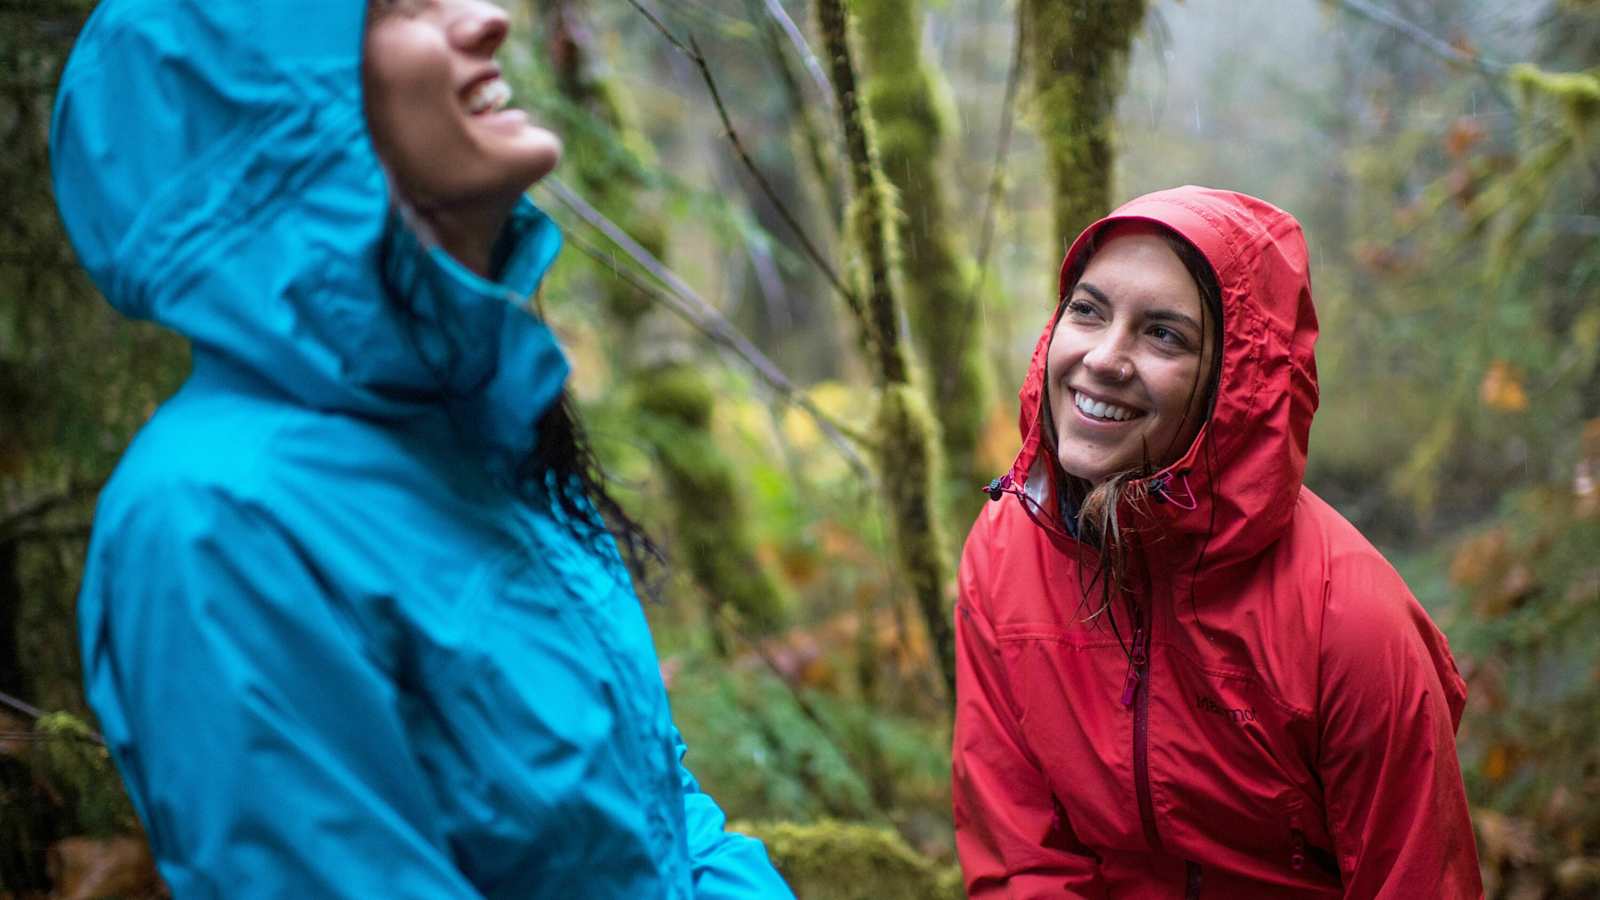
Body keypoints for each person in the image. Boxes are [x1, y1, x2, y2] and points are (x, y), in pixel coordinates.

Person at [50, 1, 794, 897]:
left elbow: (663, 825)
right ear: (272, 119)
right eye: (400, 7)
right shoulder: (215, 521)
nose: (486, 18)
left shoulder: (474, 436)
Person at [952, 187, 1482, 898]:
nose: (1105, 358)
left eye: (1164, 335)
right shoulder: (1004, 552)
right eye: (1088, 310)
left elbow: (1414, 883)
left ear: (1233, 384)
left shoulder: (1348, 616)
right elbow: (1025, 859)